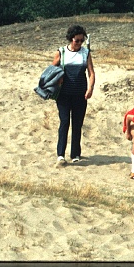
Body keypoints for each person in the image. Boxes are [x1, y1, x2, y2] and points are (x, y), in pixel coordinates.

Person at [52, 24, 95, 166]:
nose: (79, 43)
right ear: (71, 39)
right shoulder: (61, 52)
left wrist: (90, 88)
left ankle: (75, 153)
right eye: (77, 40)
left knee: (77, 124)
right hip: (63, 95)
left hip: (80, 95)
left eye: (81, 41)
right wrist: (58, 78)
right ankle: (60, 155)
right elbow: (52, 70)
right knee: (64, 122)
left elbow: (91, 72)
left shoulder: (85, 53)